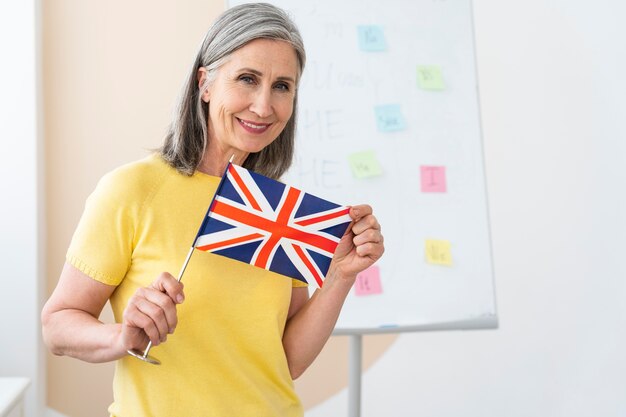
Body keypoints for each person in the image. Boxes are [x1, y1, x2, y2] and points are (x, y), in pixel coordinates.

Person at [41, 3, 384, 417]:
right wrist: (122, 337)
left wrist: (340, 277)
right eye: (247, 79)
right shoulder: (133, 190)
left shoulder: (275, 209)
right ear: (205, 83)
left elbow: (288, 360)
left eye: (282, 86)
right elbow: (58, 325)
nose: (263, 106)